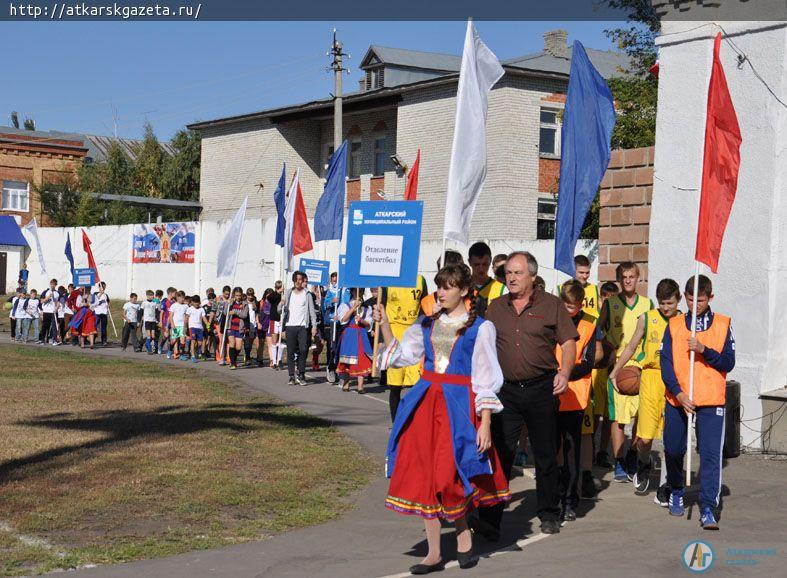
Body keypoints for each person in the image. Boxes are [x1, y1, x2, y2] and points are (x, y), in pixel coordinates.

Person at [374, 264, 510, 573]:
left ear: (463, 290)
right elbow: (402, 354)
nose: (441, 292)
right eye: (439, 286)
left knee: (449, 474)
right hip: (424, 404)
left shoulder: (480, 328)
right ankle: (433, 553)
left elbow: (485, 377)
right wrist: (383, 325)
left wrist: (485, 421)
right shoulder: (427, 323)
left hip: (458, 406)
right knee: (425, 475)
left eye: (448, 286)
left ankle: (462, 533)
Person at [476, 251, 578, 538]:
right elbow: (482, 347)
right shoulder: (495, 307)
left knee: (546, 453)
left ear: (532, 276)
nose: (511, 277)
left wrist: (565, 373)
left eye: (518, 273)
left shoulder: (552, 305)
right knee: (500, 454)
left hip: (541, 389)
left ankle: (548, 513)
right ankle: (490, 517)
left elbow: (568, 342)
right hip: (505, 392)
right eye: (508, 272)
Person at [660, 275, 735, 530]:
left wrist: (704, 350)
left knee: (711, 456)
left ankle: (708, 508)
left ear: (710, 298)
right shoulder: (674, 325)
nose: (694, 304)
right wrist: (678, 393)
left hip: (711, 400)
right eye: (690, 299)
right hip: (678, 398)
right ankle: (676, 490)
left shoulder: (723, 324)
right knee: (672, 449)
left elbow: (728, 362)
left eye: (700, 300)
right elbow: (666, 364)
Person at [610, 278, 681, 500]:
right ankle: (643, 462)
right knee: (645, 438)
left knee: (672, 436)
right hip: (650, 377)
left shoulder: (684, 321)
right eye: (662, 303)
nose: (666, 308)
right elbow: (631, 346)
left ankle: (670, 481)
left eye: (670, 303)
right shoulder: (647, 318)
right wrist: (615, 371)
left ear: (678, 300)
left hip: (675, 381)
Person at [599, 262, 654, 482]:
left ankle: (632, 453)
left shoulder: (647, 304)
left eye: (632, 276)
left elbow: (651, 333)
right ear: (619, 279)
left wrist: (642, 359)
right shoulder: (610, 304)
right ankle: (619, 460)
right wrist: (608, 350)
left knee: (640, 415)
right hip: (617, 367)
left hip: (639, 366)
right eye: (624, 277)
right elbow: (598, 330)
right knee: (617, 418)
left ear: (638, 278)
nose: (628, 280)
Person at [555, 280, 597, 522]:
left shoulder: (588, 327)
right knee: (551, 448)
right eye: (565, 304)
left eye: (572, 306)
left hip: (575, 395)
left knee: (572, 450)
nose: (568, 309)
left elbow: (589, 362)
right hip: (551, 392)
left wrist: (563, 373)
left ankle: (570, 499)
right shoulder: (551, 323)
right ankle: (553, 496)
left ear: (580, 305)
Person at [382, 274, 428, 419]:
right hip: (394, 334)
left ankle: (413, 421)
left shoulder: (420, 280)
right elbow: (381, 307)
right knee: (395, 386)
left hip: (413, 334)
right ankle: (396, 422)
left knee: (415, 383)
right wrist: (383, 338)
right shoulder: (388, 280)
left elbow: (424, 305)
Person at [592, 281, 620, 468]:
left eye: (612, 298)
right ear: (601, 298)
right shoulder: (595, 319)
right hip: (597, 369)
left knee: (610, 413)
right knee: (594, 414)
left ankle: (602, 451)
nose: (609, 302)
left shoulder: (621, 315)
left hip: (614, 368)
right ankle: (589, 445)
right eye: (606, 298)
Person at [280, 271, 317, 386]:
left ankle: (301, 374)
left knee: (303, 350)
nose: (298, 281)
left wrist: (314, 326)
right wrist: (281, 304)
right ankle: (291, 376)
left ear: (303, 281)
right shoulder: (288, 293)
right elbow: (279, 311)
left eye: (300, 279)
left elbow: (312, 311)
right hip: (290, 326)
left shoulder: (307, 294)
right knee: (290, 352)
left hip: (302, 327)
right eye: (296, 279)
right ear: (293, 280)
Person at [336, 288, 373, 394]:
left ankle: (360, 386)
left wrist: (362, 321)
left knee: (362, 358)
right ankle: (346, 383)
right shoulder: (345, 305)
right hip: (349, 333)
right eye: (356, 292)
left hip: (361, 334)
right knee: (348, 359)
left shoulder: (366, 308)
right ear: (352, 292)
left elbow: (369, 324)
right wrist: (353, 308)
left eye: (361, 292)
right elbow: (343, 320)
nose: (358, 294)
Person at [420, 250, 466, 316]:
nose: (445, 276)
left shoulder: (473, 299)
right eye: (442, 272)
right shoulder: (427, 302)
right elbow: (421, 325)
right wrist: (432, 319)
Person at [321, 272, 349, 382]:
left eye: (336, 280)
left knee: (342, 346)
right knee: (332, 347)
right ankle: (331, 368)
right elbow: (325, 304)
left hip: (343, 321)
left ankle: (340, 370)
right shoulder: (330, 291)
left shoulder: (345, 290)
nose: (334, 281)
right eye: (333, 280)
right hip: (332, 322)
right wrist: (332, 301)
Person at [468, 242, 506, 317]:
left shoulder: (502, 290)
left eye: (485, 264)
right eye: (477, 265)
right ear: (469, 262)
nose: (481, 269)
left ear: (490, 261)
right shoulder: (461, 287)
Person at [225, 287, 249, 370]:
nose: (238, 297)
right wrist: (228, 305)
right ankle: (232, 363)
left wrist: (235, 312)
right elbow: (225, 313)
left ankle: (234, 360)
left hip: (240, 327)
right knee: (232, 343)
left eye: (239, 295)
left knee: (238, 347)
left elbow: (244, 315)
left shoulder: (245, 304)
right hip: (231, 326)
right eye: (236, 295)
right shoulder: (231, 302)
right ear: (234, 295)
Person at [267, 281, 284, 370]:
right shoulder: (274, 295)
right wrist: (277, 291)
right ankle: (273, 361)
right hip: (274, 319)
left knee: (281, 341)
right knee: (274, 341)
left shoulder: (284, 295)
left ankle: (279, 360)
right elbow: (269, 298)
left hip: (282, 320)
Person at [168, 291, 189, 360]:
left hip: (182, 326)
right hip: (175, 326)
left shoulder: (186, 306)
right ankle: (170, 350)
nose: (182, 299)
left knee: (183, 341)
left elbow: (187, 316)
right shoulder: (174, 305)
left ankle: (182, 355)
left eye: (183, 298)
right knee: (174, 340)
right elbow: (171, 316)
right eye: (181, 298)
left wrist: (186, 326)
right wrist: (172, 325)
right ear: (177, 298)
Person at [186, 294, 207, 363]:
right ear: (192, 302)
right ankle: (193, 356)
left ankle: (194, 350)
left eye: (197, 302)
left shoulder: (201, 309)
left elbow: (204, 318)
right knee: (193, 341)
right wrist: (185, 327)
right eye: (195, 302)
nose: (196, 304)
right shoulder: (189, 309)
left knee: (200, 343)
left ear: (199, 302)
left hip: (200, 328)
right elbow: (186, 318)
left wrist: (207, 324)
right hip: (192, 327)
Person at [39, 279, 60, 345]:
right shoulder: (46, 291)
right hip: (46, 311)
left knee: (54, 326)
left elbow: (58, 302)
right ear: (50, 284)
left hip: (53, 312)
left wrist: (56, 309)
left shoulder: (57, 293)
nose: (52, 285)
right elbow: (41, 301)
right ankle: (42, 340)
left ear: (56, 285)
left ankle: (54, 340)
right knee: (45, 326)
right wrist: (48, 297)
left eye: (54, 284)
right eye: (51, 284)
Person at [243, 288, 259, 367]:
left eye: (251, 295)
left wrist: (257, 322)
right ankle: (247, 357)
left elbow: (256, 314)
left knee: (251, 341)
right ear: (246, 295)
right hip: (246, 324)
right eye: (248, 295)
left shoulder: (255, 302)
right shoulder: (244, 302)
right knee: (247, 341)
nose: (250, 296)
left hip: (253, 324)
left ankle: (247, 355)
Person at [159, 287, 176, 356]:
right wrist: (161, 322)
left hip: (173, 321)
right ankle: (160, 346)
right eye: (175, 293)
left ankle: (170, 350)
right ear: (171, 293)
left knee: (173, 337)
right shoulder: (165, 301)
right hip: (165, 321)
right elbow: (161, 313)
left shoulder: (174, 302)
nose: (176, 294)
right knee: (166, 336)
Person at [92, 282, 110, 346]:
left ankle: (104, 340)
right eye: (102, 286)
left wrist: (108, 306)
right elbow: (94, 301)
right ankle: (93, 339)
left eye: (104, 287)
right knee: (95, 326)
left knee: (103, 327)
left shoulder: (106, 295)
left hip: (104, 313)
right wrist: (100, 294)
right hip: (97, 312)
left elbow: (108, 302)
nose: (103, 288)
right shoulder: (95, 294)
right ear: (99, 287)